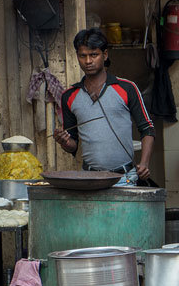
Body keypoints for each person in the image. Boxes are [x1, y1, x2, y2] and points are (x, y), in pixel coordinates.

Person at [55, 29, 155, 185]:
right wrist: (63, 141)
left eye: (94, 55)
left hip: (124, 178)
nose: (88, 61)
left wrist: (144, 163)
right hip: (89, 178)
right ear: (77, 57)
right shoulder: (69, 96)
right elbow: (72, 144)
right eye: (83, 56)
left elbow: (147, 128)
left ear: (105, 55)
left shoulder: (127, 88)